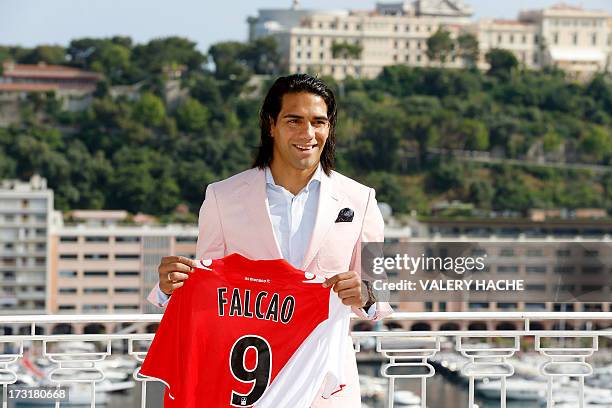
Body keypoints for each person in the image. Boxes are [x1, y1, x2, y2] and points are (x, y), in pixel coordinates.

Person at [146, 73, 392, 407]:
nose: (307, 133)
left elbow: (381, 294)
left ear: (329, 128)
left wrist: (364, 294)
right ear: (270, 125)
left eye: (319, 122)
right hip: (246, 385)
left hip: (325, 387)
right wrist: (167, 287)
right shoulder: (222, 196)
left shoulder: (360, 199)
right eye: (294, 120)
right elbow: (208, 294)